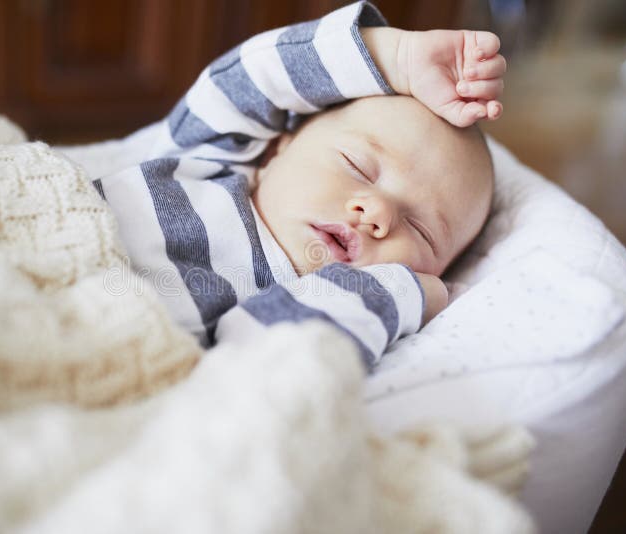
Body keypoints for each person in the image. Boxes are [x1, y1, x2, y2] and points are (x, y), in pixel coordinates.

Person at [93, 0, 505, 372]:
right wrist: (394, 58)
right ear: (277, 149)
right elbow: (254, 78)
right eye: (357, 167)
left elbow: (282, 359)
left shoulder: (313, 301)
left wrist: (402, 292)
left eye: (423, 231)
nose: (378, 213)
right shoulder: (207, 162)